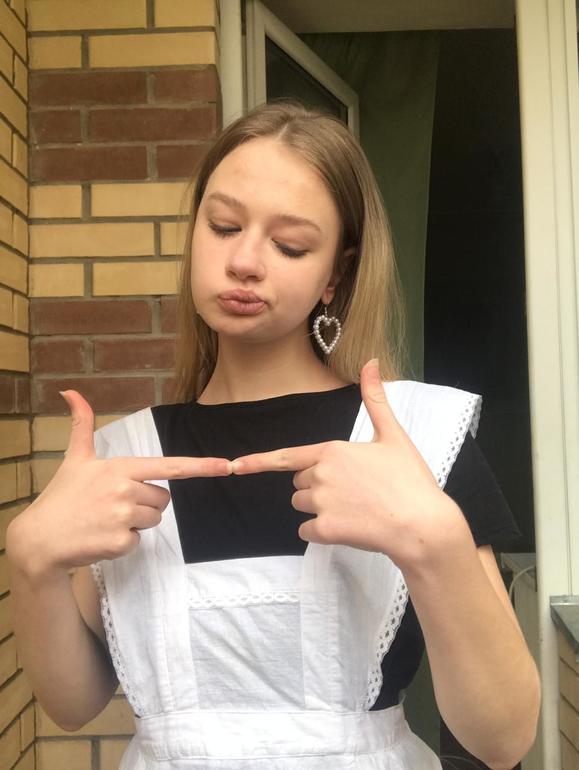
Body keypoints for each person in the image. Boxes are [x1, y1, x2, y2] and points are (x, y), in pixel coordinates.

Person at [7, 100, 540, 769]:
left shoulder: (416, 438)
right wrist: (31, 563)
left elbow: (503, 739)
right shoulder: (128, 458)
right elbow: (74, 702)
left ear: (335, 275)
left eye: (289, 245)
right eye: (223, 226)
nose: (244, 261)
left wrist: (433, 538)